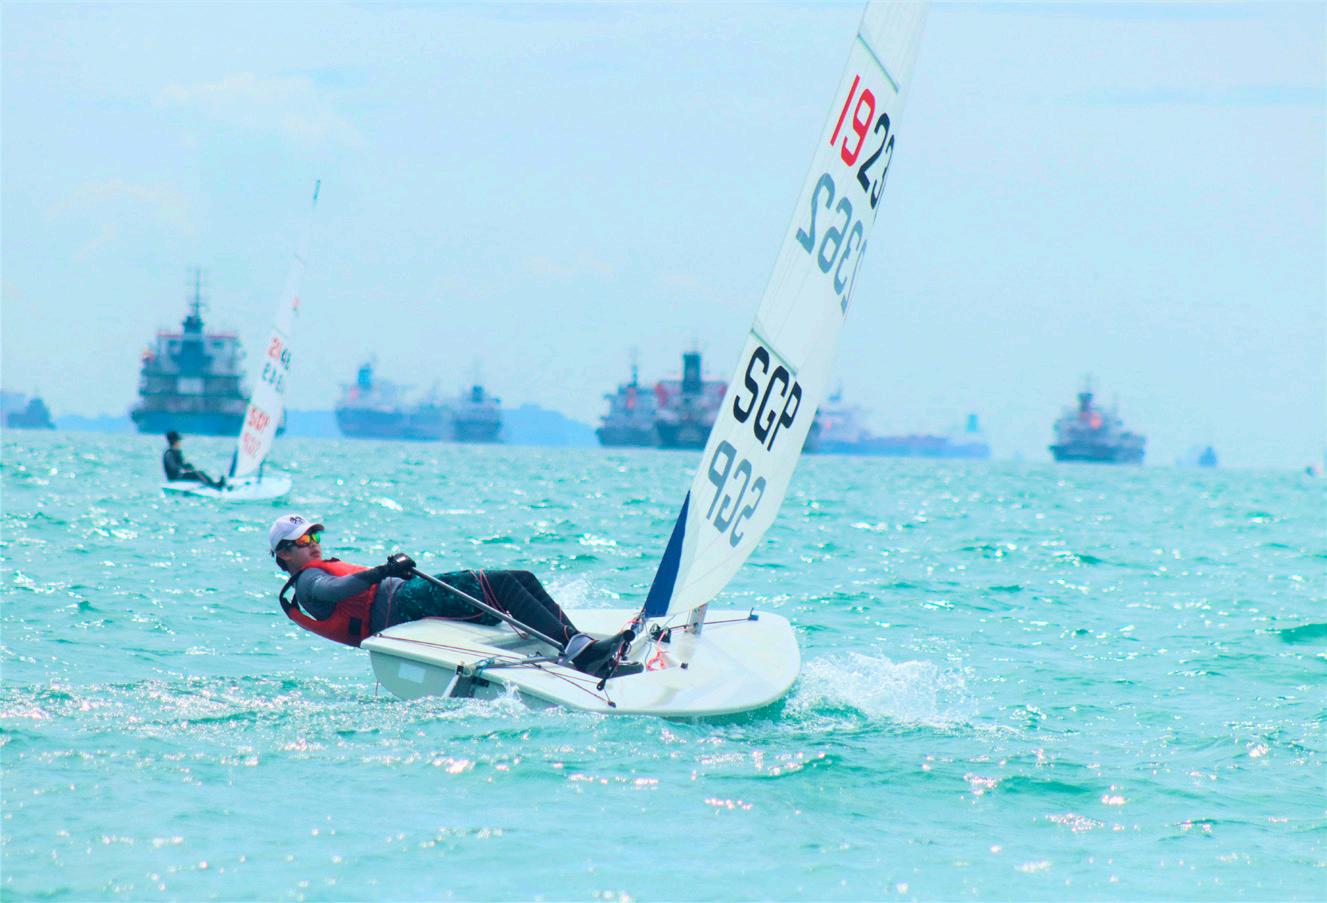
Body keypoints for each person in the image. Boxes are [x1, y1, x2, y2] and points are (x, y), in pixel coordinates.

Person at [268, 513, 635, 677]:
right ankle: (582, 654)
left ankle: (578, 644)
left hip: (409, 596)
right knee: (502, 587)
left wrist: (388, 573)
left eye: (315, 536)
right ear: (284, 554)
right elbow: (337, 589)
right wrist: (383, 571)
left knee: (520, 578)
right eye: (303, 540)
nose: (313, 543)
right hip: (406, 608)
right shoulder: (308, 583)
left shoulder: (315, 568)